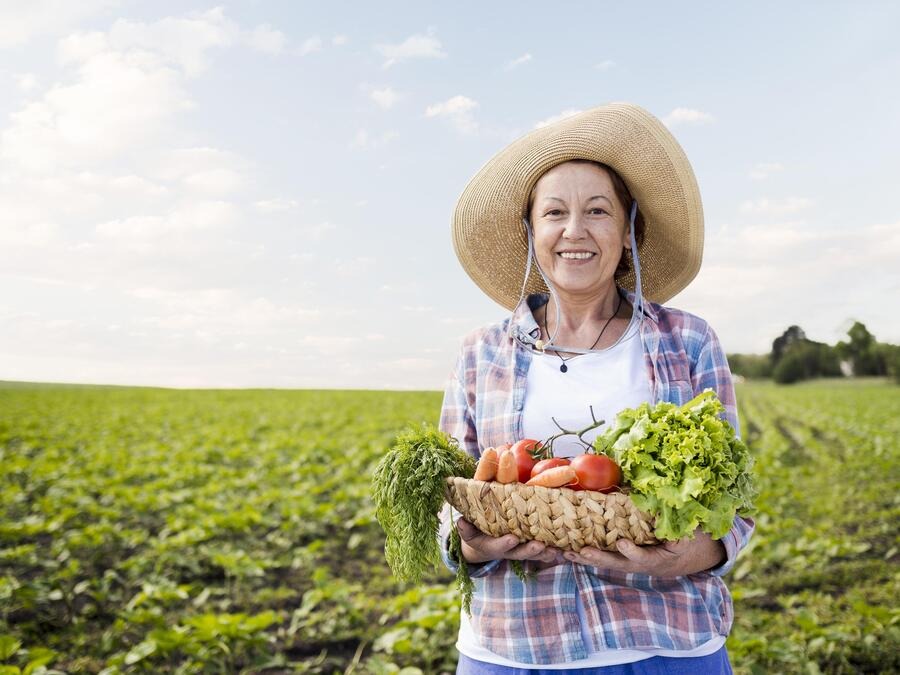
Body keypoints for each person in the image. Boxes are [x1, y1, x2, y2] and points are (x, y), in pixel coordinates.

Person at [437, 103, 754, 674]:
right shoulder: (480, 354)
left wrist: (690, 556)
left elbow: (734, 503)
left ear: (630, 231)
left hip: (666, 645)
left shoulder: (689, 341)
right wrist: (471, 546)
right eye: (554, 212)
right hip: (513, 649)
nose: (574, 231)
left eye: (598, 211)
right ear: (532, 233)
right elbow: (449, 501)